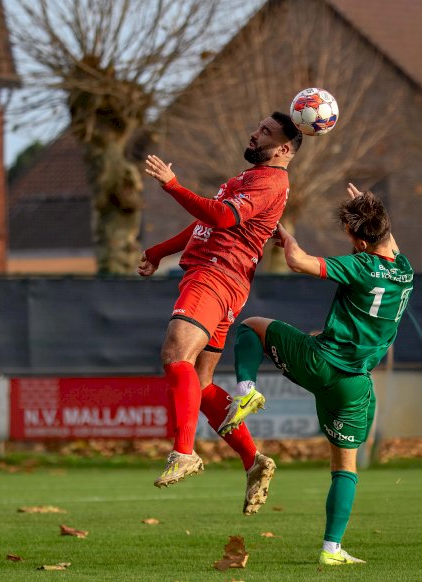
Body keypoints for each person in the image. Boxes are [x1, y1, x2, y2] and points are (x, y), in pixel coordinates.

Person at [226, 184, 414, 564]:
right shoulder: (407, 272)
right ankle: (332, 549)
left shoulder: (359, 266)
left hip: (319, 361)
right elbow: (385, 237)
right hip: (352, 385)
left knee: (251, 326)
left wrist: (287, 238)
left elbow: (299, 262)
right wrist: (368, 207)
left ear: (358, 242)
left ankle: (246, 390)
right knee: (345, 467)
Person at [138, 112, 303, 515]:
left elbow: (222, 217)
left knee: (175, 354)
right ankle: (254, 460)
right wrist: (160, 251)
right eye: (258, 126)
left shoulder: (270, 181)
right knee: (202, 380)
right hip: (222, 277)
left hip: (216, 273)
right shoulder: (251, 178)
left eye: (265, 131)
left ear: (283, 149)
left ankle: (184, 451)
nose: (254, 132)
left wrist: (173, 186)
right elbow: (205, 224)